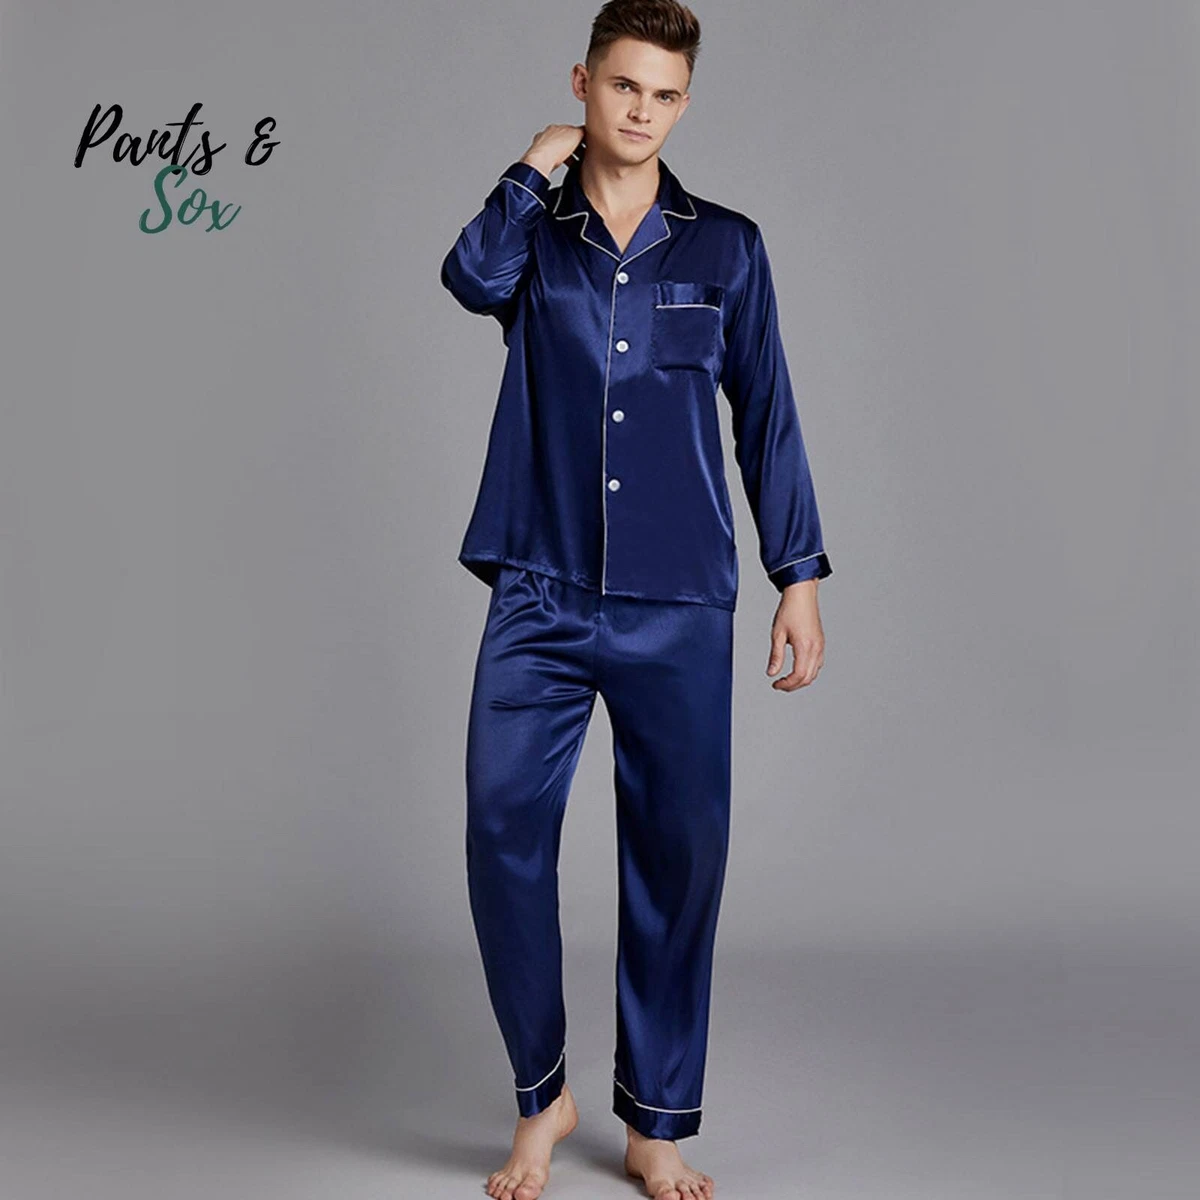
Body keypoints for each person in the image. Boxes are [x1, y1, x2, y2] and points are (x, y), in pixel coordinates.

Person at [440, 3, 832, 1197]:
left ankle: (655, 1122)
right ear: (584, 83)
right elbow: (467, 278)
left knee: (677, 856)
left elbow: (768, 413)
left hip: (678, 602)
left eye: (663, 94)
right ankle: (542, 1097)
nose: (640, 111)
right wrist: (528, 169)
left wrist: (799, 577)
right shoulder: (536, 237)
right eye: (622, 87)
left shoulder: (728, 249)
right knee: (501, 834)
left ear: (685, 103)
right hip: (541, 587)